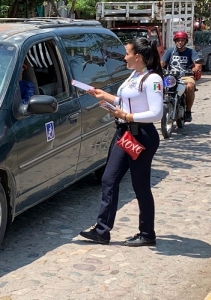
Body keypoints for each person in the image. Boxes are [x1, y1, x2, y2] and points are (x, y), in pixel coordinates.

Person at [79, 38, 163, 247]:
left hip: (141, 136)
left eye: (127, 53)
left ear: (138, 56)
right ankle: (102, 231)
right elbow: (122, 101)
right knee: (108, 179)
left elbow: (156, 113)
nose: (123, 57)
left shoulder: (152, 79)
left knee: (140, 185)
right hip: (124, 134)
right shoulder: (134, 75)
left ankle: (147, 234)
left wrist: (126, 117)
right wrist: (102, 95)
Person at [160, 31, 202, 122]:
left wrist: (196, 68)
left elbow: (197, 63)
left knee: (190, 87)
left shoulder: (191, 52)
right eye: (178, 40)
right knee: (158, 86)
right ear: (175, 41)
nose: (180, 42)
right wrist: (157, 68)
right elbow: (162, 63)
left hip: (186, 76)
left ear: (186, 42)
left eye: (182, 40)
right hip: (171, 76)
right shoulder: (170, 51)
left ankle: (188, 111)